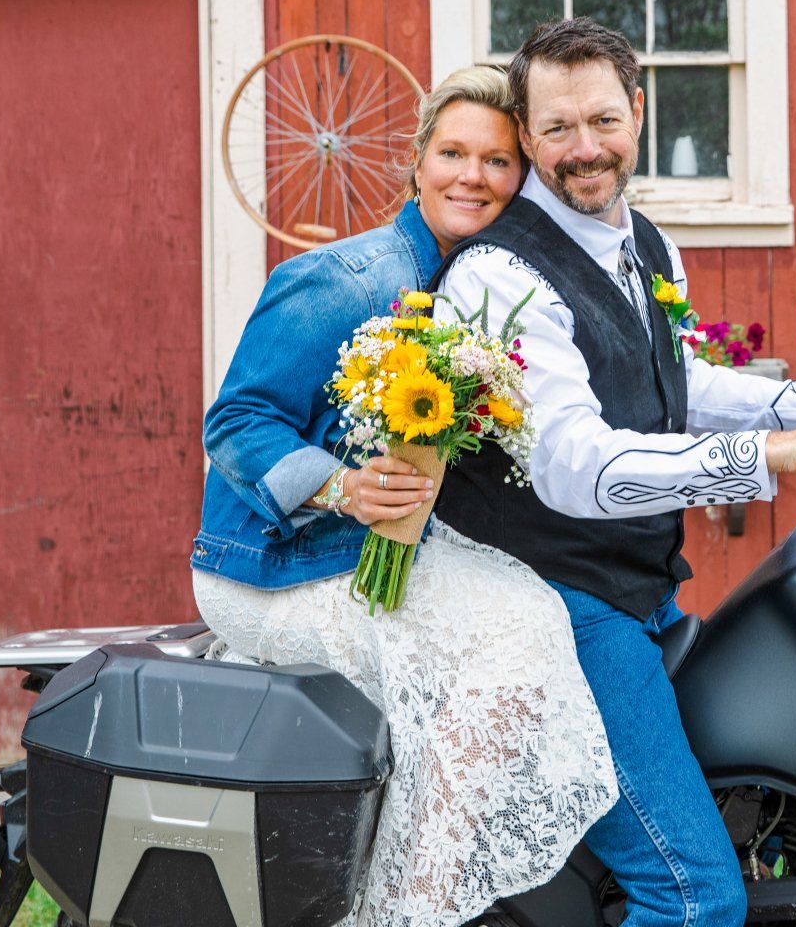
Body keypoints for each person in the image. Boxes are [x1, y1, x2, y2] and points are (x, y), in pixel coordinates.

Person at [432, 18, 796, 927]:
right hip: (558, 606)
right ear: (525, 136)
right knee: (692, 897)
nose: (584, 148)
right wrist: (764, 456)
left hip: (637, 589)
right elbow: (574, 466)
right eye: (556, 129)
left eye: (603, 119)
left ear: (638, 110)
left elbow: (679, 380)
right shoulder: (499, 277)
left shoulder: (643, 242)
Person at [189, 65, 617, 927]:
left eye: (497, 162)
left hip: (375, 549)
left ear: (523, 177)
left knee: (535, 609)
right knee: (513, 634)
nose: (473, 176)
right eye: (453, 152)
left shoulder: (483, 288)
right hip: (276, 563)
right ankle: (412, 909)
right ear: (416, 162)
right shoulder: (348, 278)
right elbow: (235, 421)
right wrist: (341, 486)